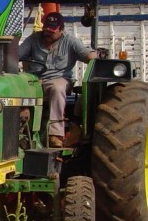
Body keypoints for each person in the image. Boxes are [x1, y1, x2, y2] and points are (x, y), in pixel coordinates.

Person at [18, 12, 96, 148]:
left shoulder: (71, 42)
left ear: (61, 29)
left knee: (56, 87)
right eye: (46, 30)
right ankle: (19, 129)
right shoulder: (34, 39)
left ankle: (55, 134)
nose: (48, 34)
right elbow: (17, 54)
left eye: (52, 31)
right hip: (35, 79)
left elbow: (88, 56)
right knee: (17, 85)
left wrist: (95, 56)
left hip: (60, 79)